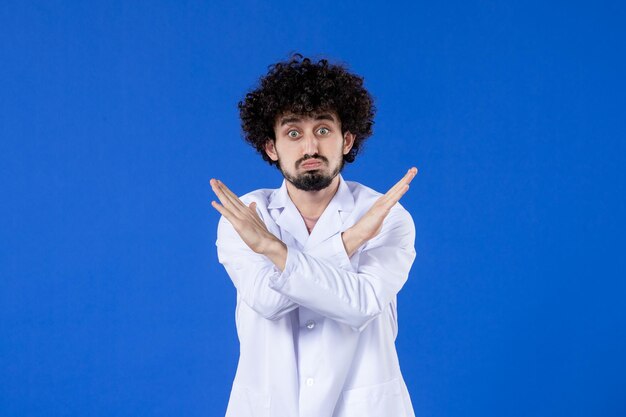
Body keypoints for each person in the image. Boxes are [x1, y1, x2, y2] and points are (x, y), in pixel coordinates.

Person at [210, 53, 418, 417]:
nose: (310, 148)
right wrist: (348, 243)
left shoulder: (387, 215)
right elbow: (266, 301)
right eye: (293, 133)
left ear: (347, 140)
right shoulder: (246, 215)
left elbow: (362, 304)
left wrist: (273, 251)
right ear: (271, 147)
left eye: (323, 130)